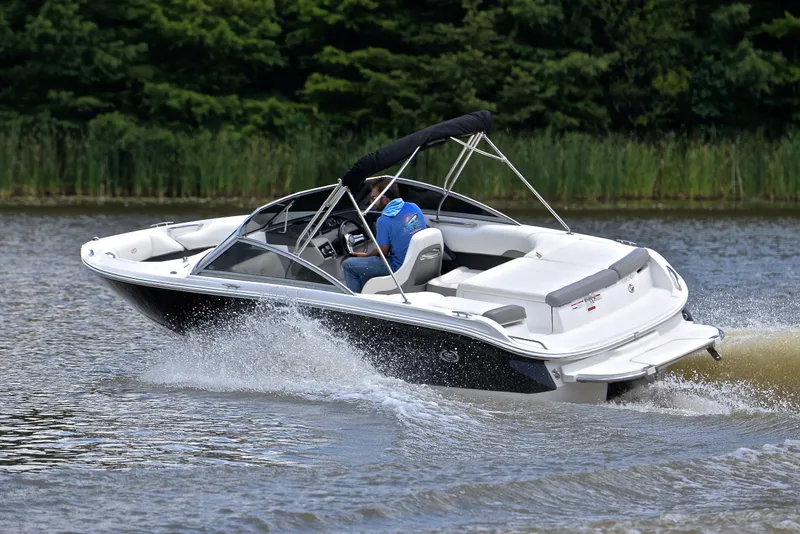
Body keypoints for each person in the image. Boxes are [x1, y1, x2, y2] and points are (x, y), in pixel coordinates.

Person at [342, 179, 427, 293]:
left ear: (385, 199)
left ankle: (355, 304)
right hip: (419, 263)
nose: (371, 202)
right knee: (363, 267)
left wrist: (366, 256)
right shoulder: (413, 207)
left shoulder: (384, 220)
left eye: (373, 198)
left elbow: (382, 253)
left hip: (399, 267)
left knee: (348, 265)